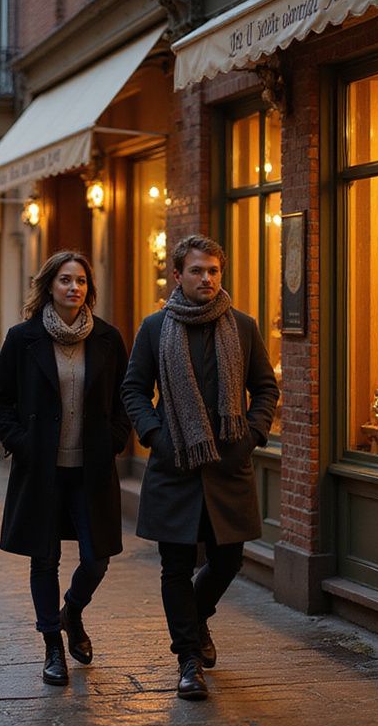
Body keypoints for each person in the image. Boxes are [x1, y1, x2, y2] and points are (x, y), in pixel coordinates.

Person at [120, 234, 279, 702]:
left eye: (213, 270)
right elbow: (133, 390)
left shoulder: (244, 327)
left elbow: (265, 388)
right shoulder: (154, 328)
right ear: (178, 275)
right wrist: (157, 437)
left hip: (229, 466)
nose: (206, 278)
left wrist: (251, 435)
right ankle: (188, 660)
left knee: (228, 559)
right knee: (174, 565)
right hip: (175, 466)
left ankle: (196, 617)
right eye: (196, 270)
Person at [0, 252, 131, 687]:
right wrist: (21, 443)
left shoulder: (107, 338)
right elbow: (0, 399)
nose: (74, 288)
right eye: (65, 280)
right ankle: (52, 645)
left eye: (82, 281)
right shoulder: (22, 338)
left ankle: (72, 612)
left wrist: (116, 440)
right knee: (43, 557)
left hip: (91, 469)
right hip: (41, 469)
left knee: (97, 558)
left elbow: (127, 396)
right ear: (49, 285)